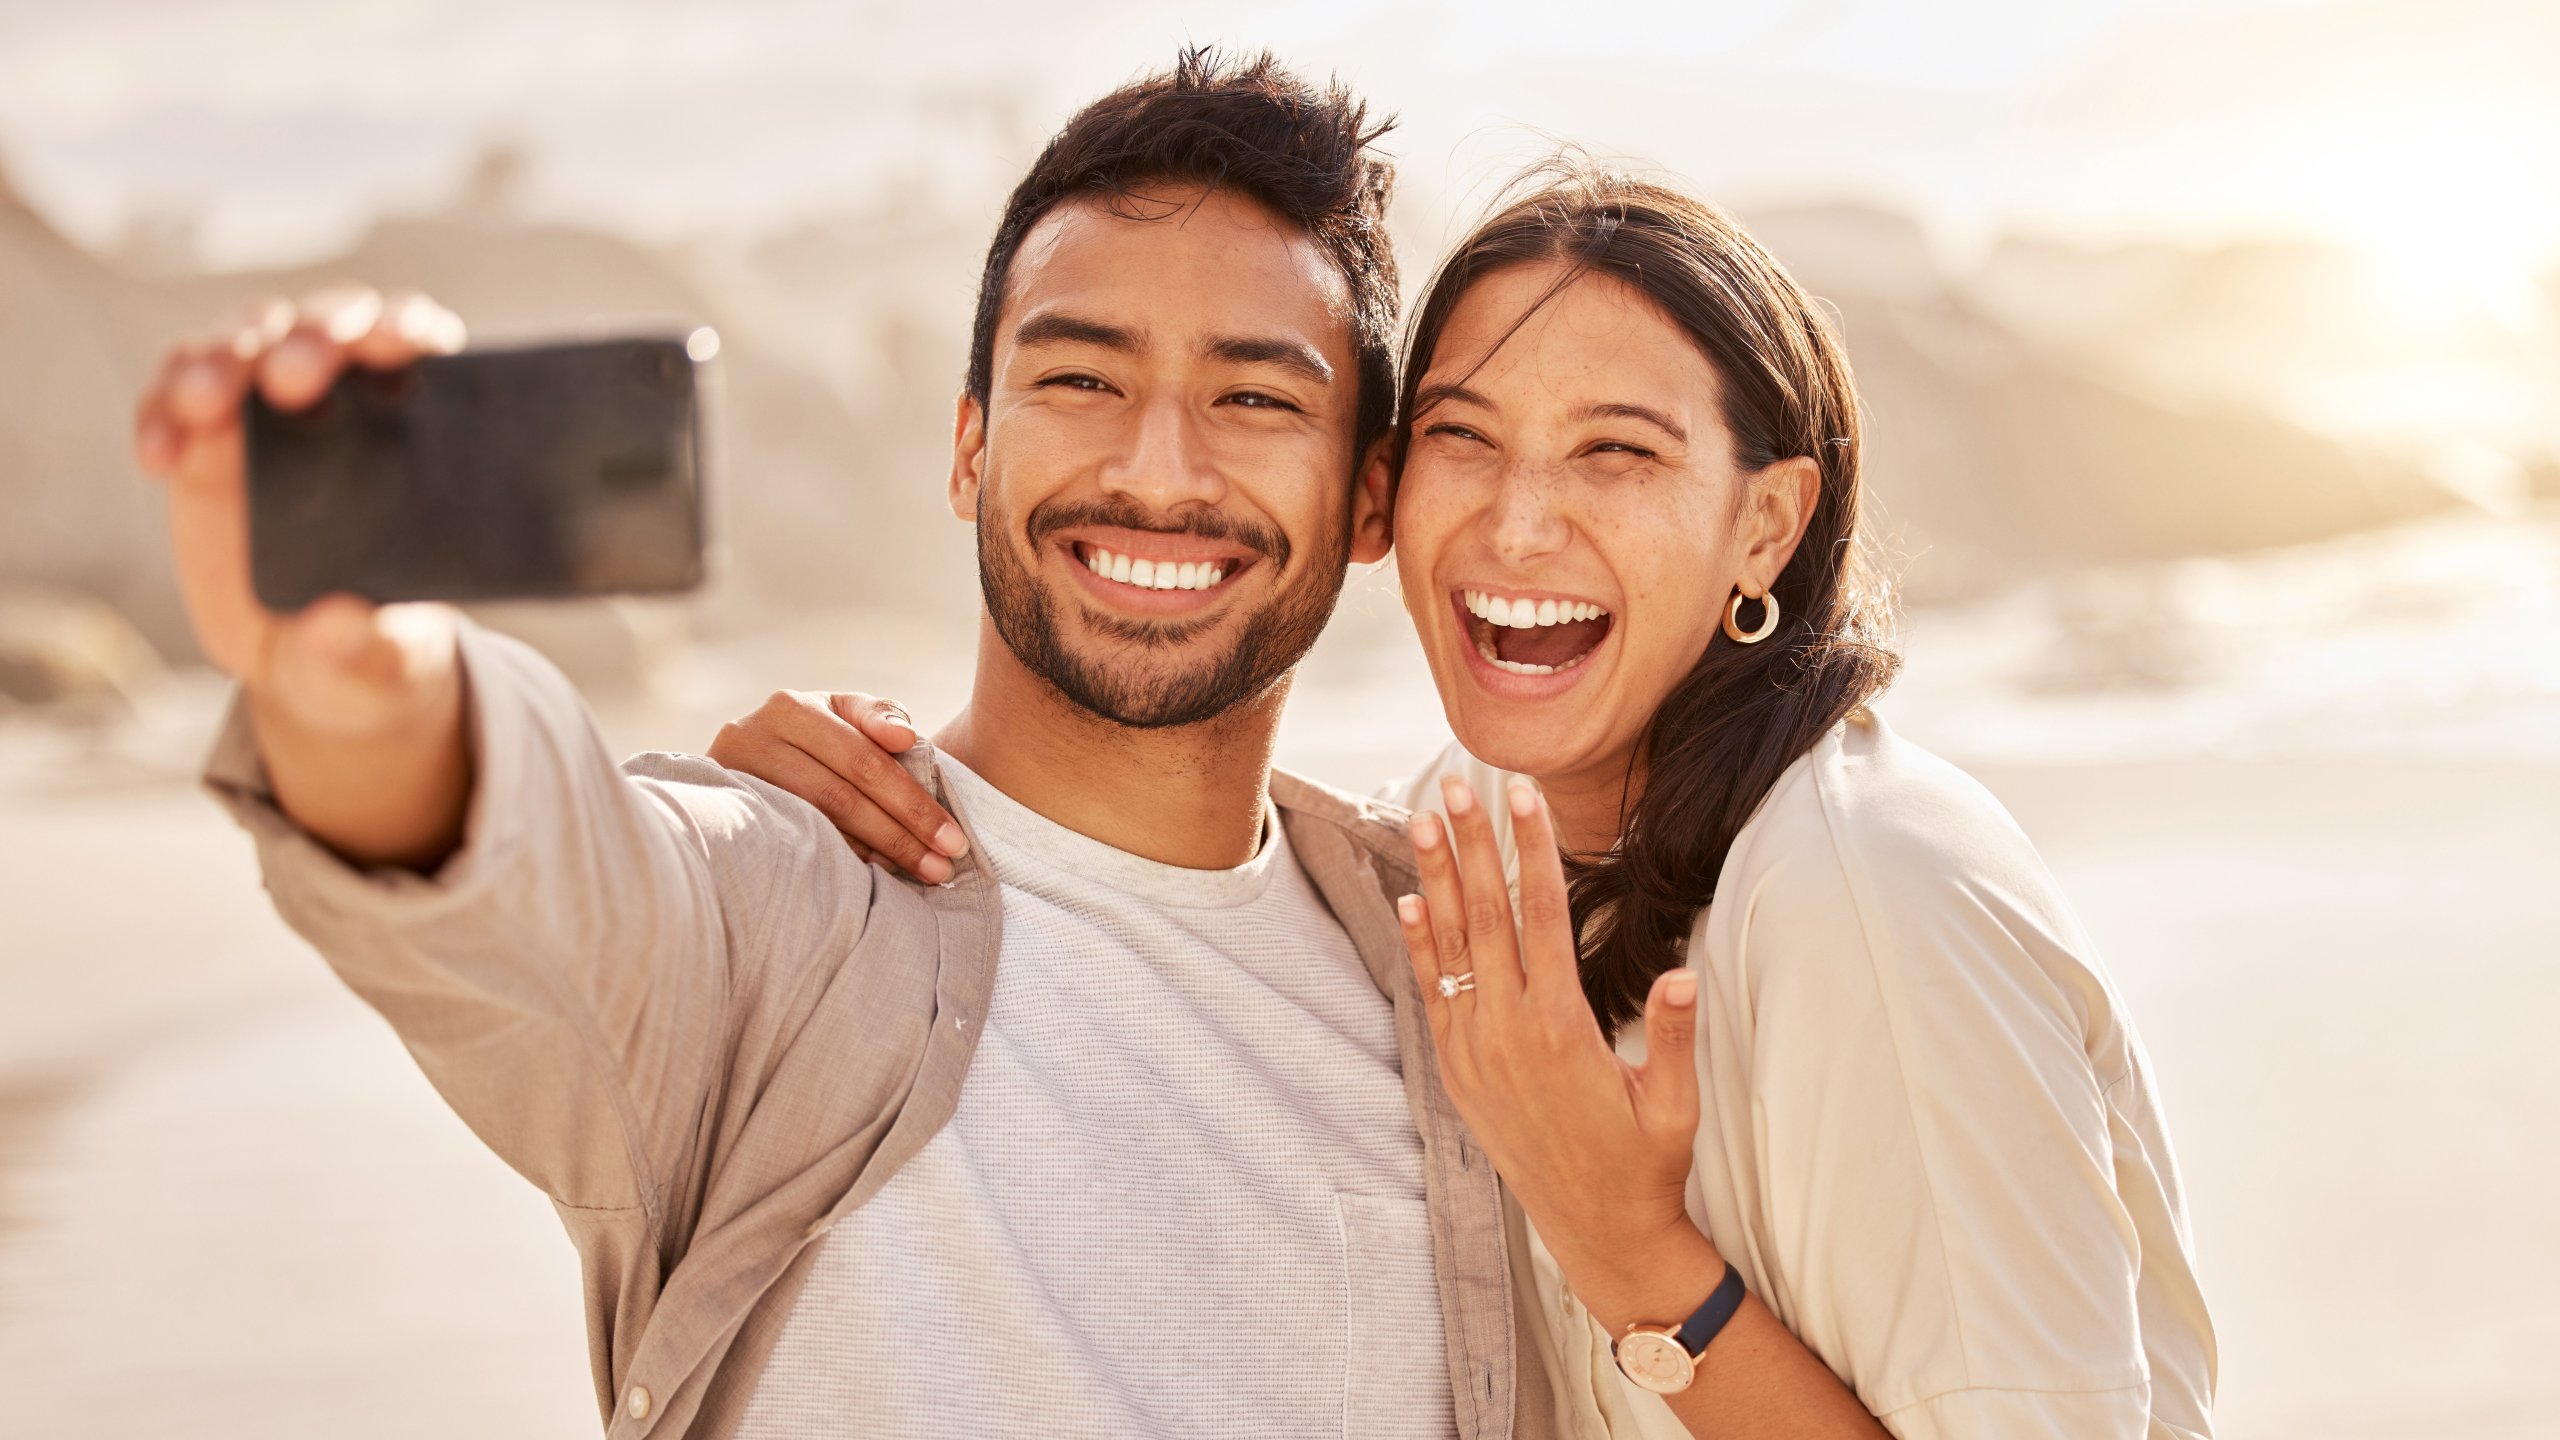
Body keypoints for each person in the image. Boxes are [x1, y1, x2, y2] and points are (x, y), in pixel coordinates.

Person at [136, 51, 1576, 1440]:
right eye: (1081, 380)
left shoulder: (1466, 979)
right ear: (968, 449)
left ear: (1370, 498)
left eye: (1256, 398)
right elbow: (512, 868)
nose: (1156, 469)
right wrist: (353, 678)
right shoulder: (780, 910)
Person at [710, 165, 2218, 1438]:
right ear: (1382, 492)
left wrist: (1637, 1255)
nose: (1517, 521)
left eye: (1616, 453)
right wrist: (840, 799)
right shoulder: (1466, 834)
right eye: (1463, 437)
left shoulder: (1878, 897)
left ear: (1767, 521)